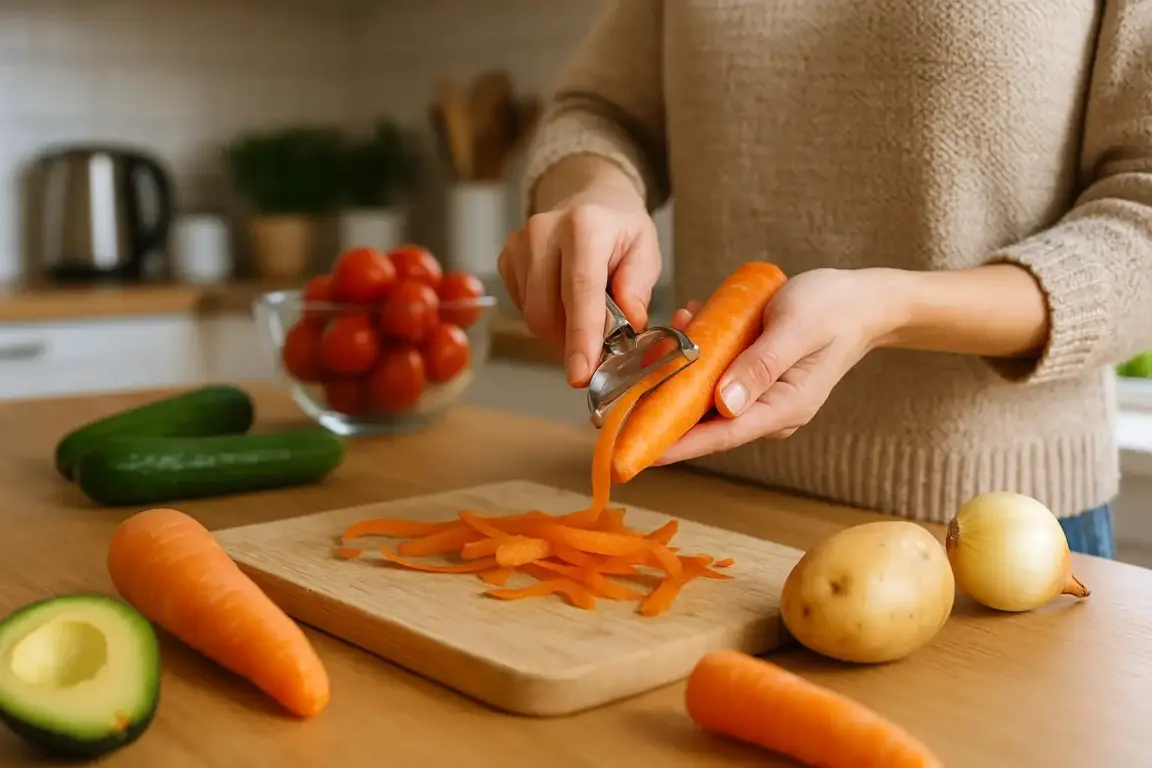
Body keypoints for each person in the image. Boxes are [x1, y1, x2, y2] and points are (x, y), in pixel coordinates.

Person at [496, 0, 1152, 559]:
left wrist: (893, 308)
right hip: (696, 499)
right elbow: (596, 110)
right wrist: (593, 187)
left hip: (990, 535)